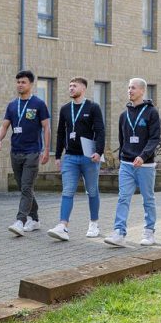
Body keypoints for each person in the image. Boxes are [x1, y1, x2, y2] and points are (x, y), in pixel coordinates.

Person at [104, 78, 161, 247]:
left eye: (133, 88)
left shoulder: (152, 113)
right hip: (127, 164)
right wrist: (123, 157)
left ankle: (149, 232)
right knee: (123, 198)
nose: (130, 91)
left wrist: (143, 156)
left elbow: (154, 138)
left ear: (142, 91)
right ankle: (119, 233)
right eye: (128, 88)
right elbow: (123, 140)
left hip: (145, 165)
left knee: (148, 199)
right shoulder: (124, 115)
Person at [47, 77, 105, 241]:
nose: (71, 88)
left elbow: (100, 131)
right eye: (70, 85)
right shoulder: (65, 109)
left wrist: (99, 152)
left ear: (84, 88)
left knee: (92, 191)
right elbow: (60, 133)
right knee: (67, 191)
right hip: (70, 157)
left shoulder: (93, 107)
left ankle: (94, 223)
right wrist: (58, 155)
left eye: (75, 86)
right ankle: (63, 226)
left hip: (89, 157)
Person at [0, 70, 51, 237]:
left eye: (23, 82)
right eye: (18, 82)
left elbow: (46, 127)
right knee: (23, 187)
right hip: (16, 151)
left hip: (32, 152)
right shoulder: (12, 105)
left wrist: (47, 149)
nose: (20, 85)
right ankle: (35, 218)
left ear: (31, 84)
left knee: (27, 187)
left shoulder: (39, 104)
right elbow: (5, 125)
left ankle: (21, 221)